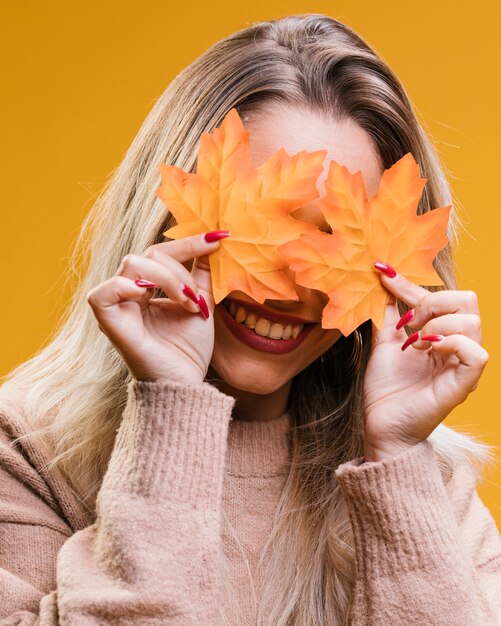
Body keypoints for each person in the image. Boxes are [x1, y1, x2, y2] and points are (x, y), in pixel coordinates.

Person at [0, 13, 499, 626]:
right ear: (164, 217)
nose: (286, 290)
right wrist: (171, 405)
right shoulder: (26, 455)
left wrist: (397, 461)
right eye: (254, 229)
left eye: (335, 241)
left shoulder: (426, 486)